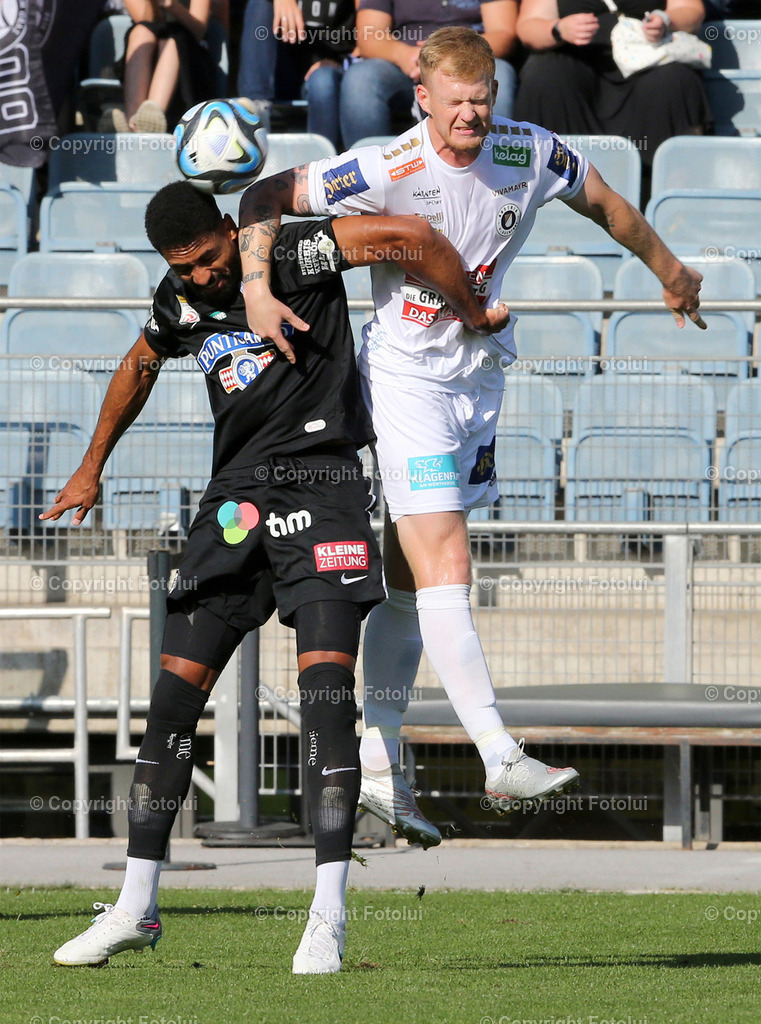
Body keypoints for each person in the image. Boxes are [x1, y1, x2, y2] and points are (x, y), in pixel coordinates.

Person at [235, 26, 706, 848]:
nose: (470, 117)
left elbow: (607, 207)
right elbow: (262, 197)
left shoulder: (530, 152)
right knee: (447, 557)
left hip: (477, 380)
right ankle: (497, 751)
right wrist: (252, 286)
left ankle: (377, 758)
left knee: (410, 582)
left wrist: (669, 270)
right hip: (406, 381)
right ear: (422, 98)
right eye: (455, 103)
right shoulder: (386, 167)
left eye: (482, 102)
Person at [46, 181, 508, 973]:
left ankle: (325, 918)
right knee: (170, 707)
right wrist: (90, 468)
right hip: (231, 506)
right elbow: (139, 361)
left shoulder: (297, 251)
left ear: (233, 232)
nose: (199, 278)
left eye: (206, 259)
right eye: (181, 268)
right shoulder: (182, 300)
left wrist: (469, 308)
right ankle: (135, 907)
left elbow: (406, 233)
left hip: (322, 492)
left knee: (326, 703)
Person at [513, 0, 710, 172]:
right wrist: (558, 29)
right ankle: (551, 183)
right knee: (545, 76)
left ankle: (657, 191)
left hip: (649, 60)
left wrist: (665, 20)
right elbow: (529, 26)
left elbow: (690, 9)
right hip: (574, 68)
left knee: (674, 81)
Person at [339, 0, 519, 147]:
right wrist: (403, 55)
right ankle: (366, 178)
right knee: (360, 79)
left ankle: (497, 167)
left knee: (499, 74)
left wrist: (448, 57)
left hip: (470, 62)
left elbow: (503, 32)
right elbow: (369, 34)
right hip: (404, 62)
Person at [237, 0, 358, 147]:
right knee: (260, 3)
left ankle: (322, 164)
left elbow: (368, 27)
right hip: (278, 72)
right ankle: (255, 109)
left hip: (329, 70)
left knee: (324, 82)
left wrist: (344, 62)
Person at [100, 0, 216, 133]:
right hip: (150, 53)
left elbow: (199, 31)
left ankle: (153, 117)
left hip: (189, 61)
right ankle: (132, 121)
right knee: (141, 32)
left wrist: (172, 5)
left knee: (174, 39)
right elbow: (146, 20)